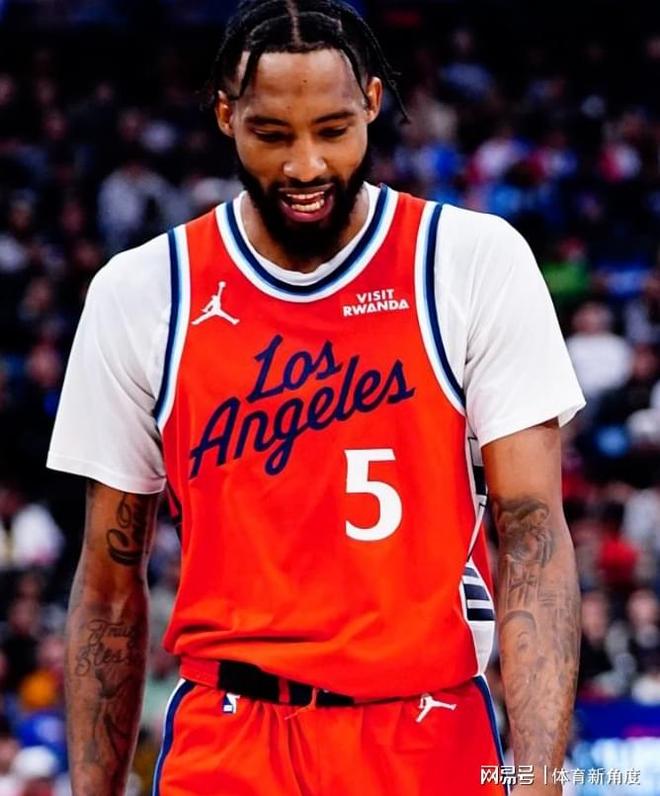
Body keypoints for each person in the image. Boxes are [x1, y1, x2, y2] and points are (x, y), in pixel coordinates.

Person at [47, 1, 585, 793]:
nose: (305, 166)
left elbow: (533, 537)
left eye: (333, 130)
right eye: (272, 134)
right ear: (226, 116)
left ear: (372, 103)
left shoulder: (471, 262)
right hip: (228, 736)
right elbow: (107, 585)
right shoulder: (143, 292)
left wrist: (539, 777)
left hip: (427, 727)